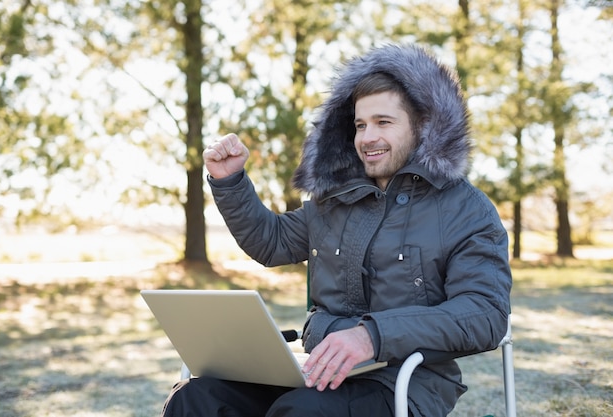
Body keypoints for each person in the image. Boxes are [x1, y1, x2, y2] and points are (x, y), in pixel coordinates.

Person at [162, 43, 512, 417]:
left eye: (383, 122)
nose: (367, 137)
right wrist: (230, 182)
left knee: (302, 411)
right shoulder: (337, 201)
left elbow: (485, 313)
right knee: (194, 397)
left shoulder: (465, 209)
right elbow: (272, 242)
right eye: (360, 125)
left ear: (423, 127)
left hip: (405, 383)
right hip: (319, 370)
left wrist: (372, 336)